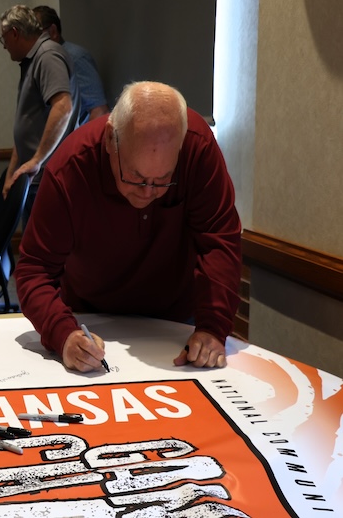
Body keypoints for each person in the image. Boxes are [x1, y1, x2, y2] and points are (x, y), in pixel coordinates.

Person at [14, 81, 242, 372]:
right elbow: (34, 270)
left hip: (176, 324)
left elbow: (220, 240)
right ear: (111, 139)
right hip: (90, 321)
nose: (148, 192)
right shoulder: (70, 168)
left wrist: (212, 326)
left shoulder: (197, 146)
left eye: (163, 180)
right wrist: (64, 334)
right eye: (136, 176)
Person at [0, 4, 80, 225]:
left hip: (46, 178)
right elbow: (28, 127)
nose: (4, 46)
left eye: (3, 38)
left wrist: (36, 160)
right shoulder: (33, 60)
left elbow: (63, 107)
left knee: (42, 253)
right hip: (33, 177)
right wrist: (11, 173)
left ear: (14, 33)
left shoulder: (48, 56)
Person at [33, 5, 110, 125]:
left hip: (71, 142)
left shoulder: (76, 58)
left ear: (53, 32)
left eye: (35, 34)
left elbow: (99, 111)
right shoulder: (42, 63)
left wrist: (78, 143)